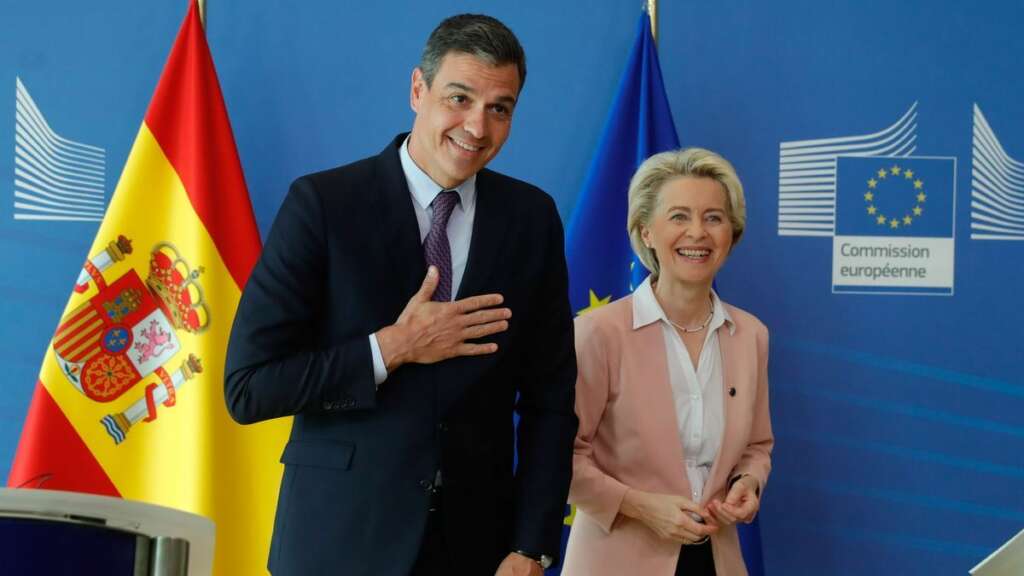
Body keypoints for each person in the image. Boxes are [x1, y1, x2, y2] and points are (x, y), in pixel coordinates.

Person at [224, 14, 577, 576]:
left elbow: (552, 401)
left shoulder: (531, 219)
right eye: (459, 98)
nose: (477, 127)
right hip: (339, 542)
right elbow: (249, 388)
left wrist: (531, 543)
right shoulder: (324, 204)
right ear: (418, 90)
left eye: (499, 108)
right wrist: (390, 349)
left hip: (478, 548)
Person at [562, 148, 773, 576]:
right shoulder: (598, 332)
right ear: (646, 232)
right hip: (613, 559)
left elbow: (756, 447)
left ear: (732, 233)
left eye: (713, 217)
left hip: (717, 559)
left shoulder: (751, 335)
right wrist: (640, 506)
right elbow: (559, 457)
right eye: (679, 216)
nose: (697, 232)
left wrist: (747, 484)